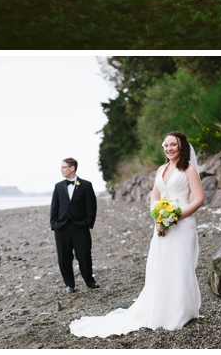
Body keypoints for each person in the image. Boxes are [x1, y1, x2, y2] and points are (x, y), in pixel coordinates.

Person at [70, 132, 203, 336]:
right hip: (162, 224)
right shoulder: (161, 169)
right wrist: (159, 217)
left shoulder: (189, 169)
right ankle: (161, 309)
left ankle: (182, 311)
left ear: (181, 146)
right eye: (165, 145)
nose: (169, 149)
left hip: (182, 223)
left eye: (173, 145)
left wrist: (175, 217)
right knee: (161, 264)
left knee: (180, 264)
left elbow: (198, 199)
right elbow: (155, 197)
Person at [50, 158, 98, 294]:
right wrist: (54, 224)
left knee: (84, 255)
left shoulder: (86, 185)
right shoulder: (58, 187)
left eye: (64, 167)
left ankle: (90, 281)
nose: (61, 170)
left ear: (72, 168)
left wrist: (88, 223)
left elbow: (92, 206)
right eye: (61, 167)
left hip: (80, 227)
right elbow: (54, 206)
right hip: (62, 227)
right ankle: (69, 284)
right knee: (63, 257)